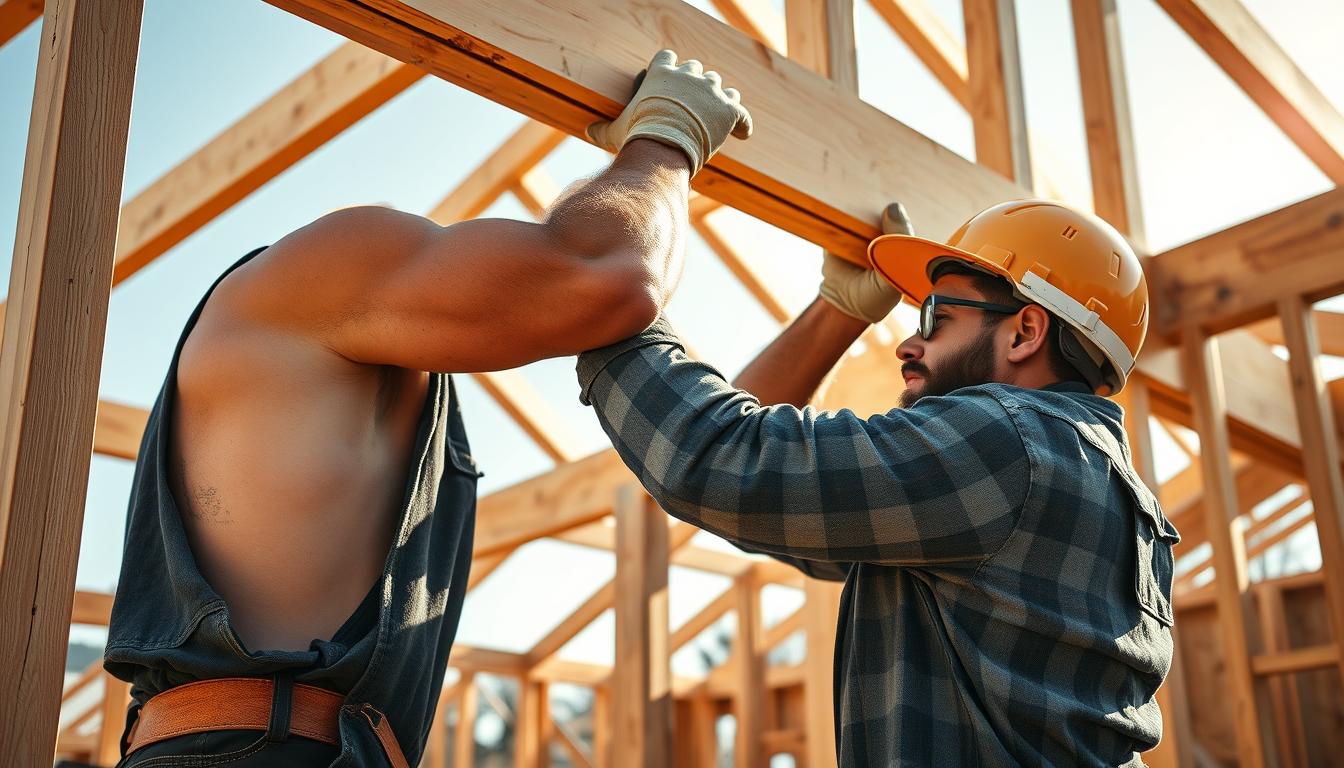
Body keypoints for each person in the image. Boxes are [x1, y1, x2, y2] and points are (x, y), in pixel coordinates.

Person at [103, 50, 750, 767]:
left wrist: (835, 312)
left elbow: (740, 459)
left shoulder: (366, 375)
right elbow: (608, 276)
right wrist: (668, 135)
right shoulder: (324, 267)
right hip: (251, 747)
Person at [575, 200, 1180, 766]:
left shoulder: (1005, 444)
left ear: (1024, 332)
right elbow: (766, 504)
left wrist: (608, 294)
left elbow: (720, 465)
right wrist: (837, 312)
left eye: (935, 319)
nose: (908, 343)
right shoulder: (1106, 489)